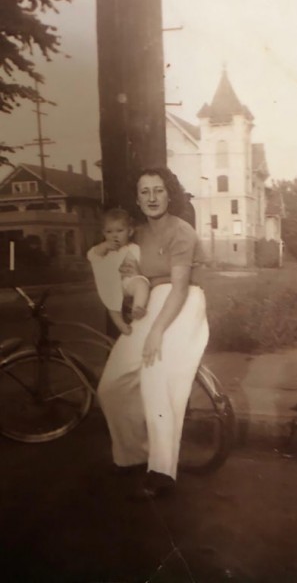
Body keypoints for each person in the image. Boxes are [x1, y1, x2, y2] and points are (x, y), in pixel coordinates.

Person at [97, 167, 209, 499]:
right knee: (111, 385)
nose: (151, 198)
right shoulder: (138, 234)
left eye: (158, 190)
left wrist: (157, 331)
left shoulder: (182, 232)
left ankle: (162, 469)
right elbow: (127, 272)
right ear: (137, 199)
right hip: (152, 303)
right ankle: (133, 453)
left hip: (184, 301)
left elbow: (178, 288)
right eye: (144, 192)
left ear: (169, 194)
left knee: (155, 375)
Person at [87, 208, 150, 336]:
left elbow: (140, 266)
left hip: (128, 283)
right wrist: (103, 247)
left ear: (130, 231)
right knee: (112, 304)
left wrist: (137, 271)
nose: (114, 235)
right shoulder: (105, 251)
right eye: (109, 232)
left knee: (142, 283)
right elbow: (91, 256)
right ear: (103, 233)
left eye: (120, 231)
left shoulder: (134, 248)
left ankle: (137, 307)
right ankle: (121, 324)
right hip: (112, 284)